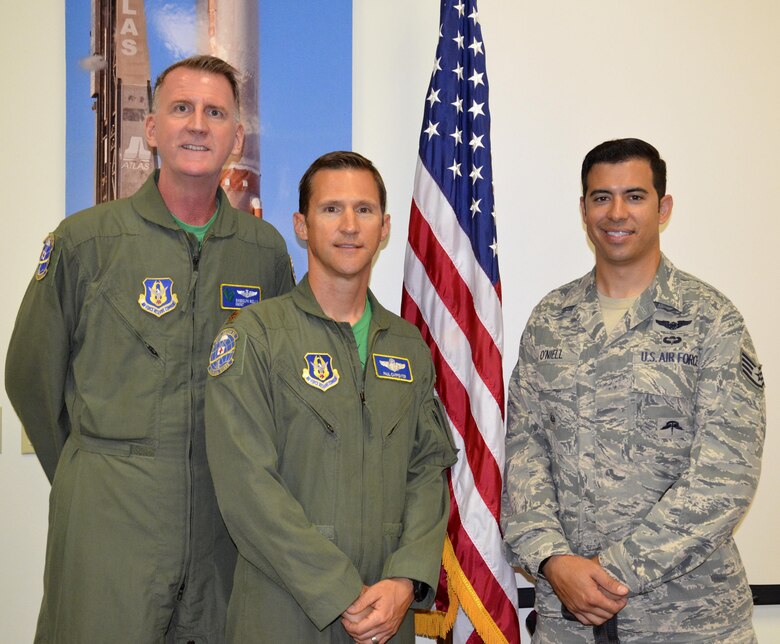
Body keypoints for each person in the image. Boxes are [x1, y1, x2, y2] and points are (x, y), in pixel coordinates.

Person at [5, 55, 294, 643]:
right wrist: (94, 473)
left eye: (215, 113)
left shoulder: (263, 252)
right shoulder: (86, 241)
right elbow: (29, 377)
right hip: (110, 529)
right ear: (152, 128)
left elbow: (277, 388)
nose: (197, 124)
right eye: (181, 108)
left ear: (235, 137)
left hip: (223, 531)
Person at [502, 138, 765, 643]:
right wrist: (553, 561)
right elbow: (524, 454)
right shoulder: (549, 321)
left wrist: (609, 572)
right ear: (583, 210)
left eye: (635, 196)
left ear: (663, 208)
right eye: (601, 197)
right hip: (569, 623)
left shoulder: (712, 321)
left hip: (689, 623)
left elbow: (725, 474)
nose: (616, 212)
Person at [204, 151, 457, 643]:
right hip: (283, 612)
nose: (349, 225)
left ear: (384, 228)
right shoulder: (257, 336)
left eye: (364, 210)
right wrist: (340, 590)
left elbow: (427, 472)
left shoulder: (407, 345)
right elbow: (246, 486)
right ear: (301, 225)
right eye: (330, 209)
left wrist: (406, 578)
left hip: (386, 616)